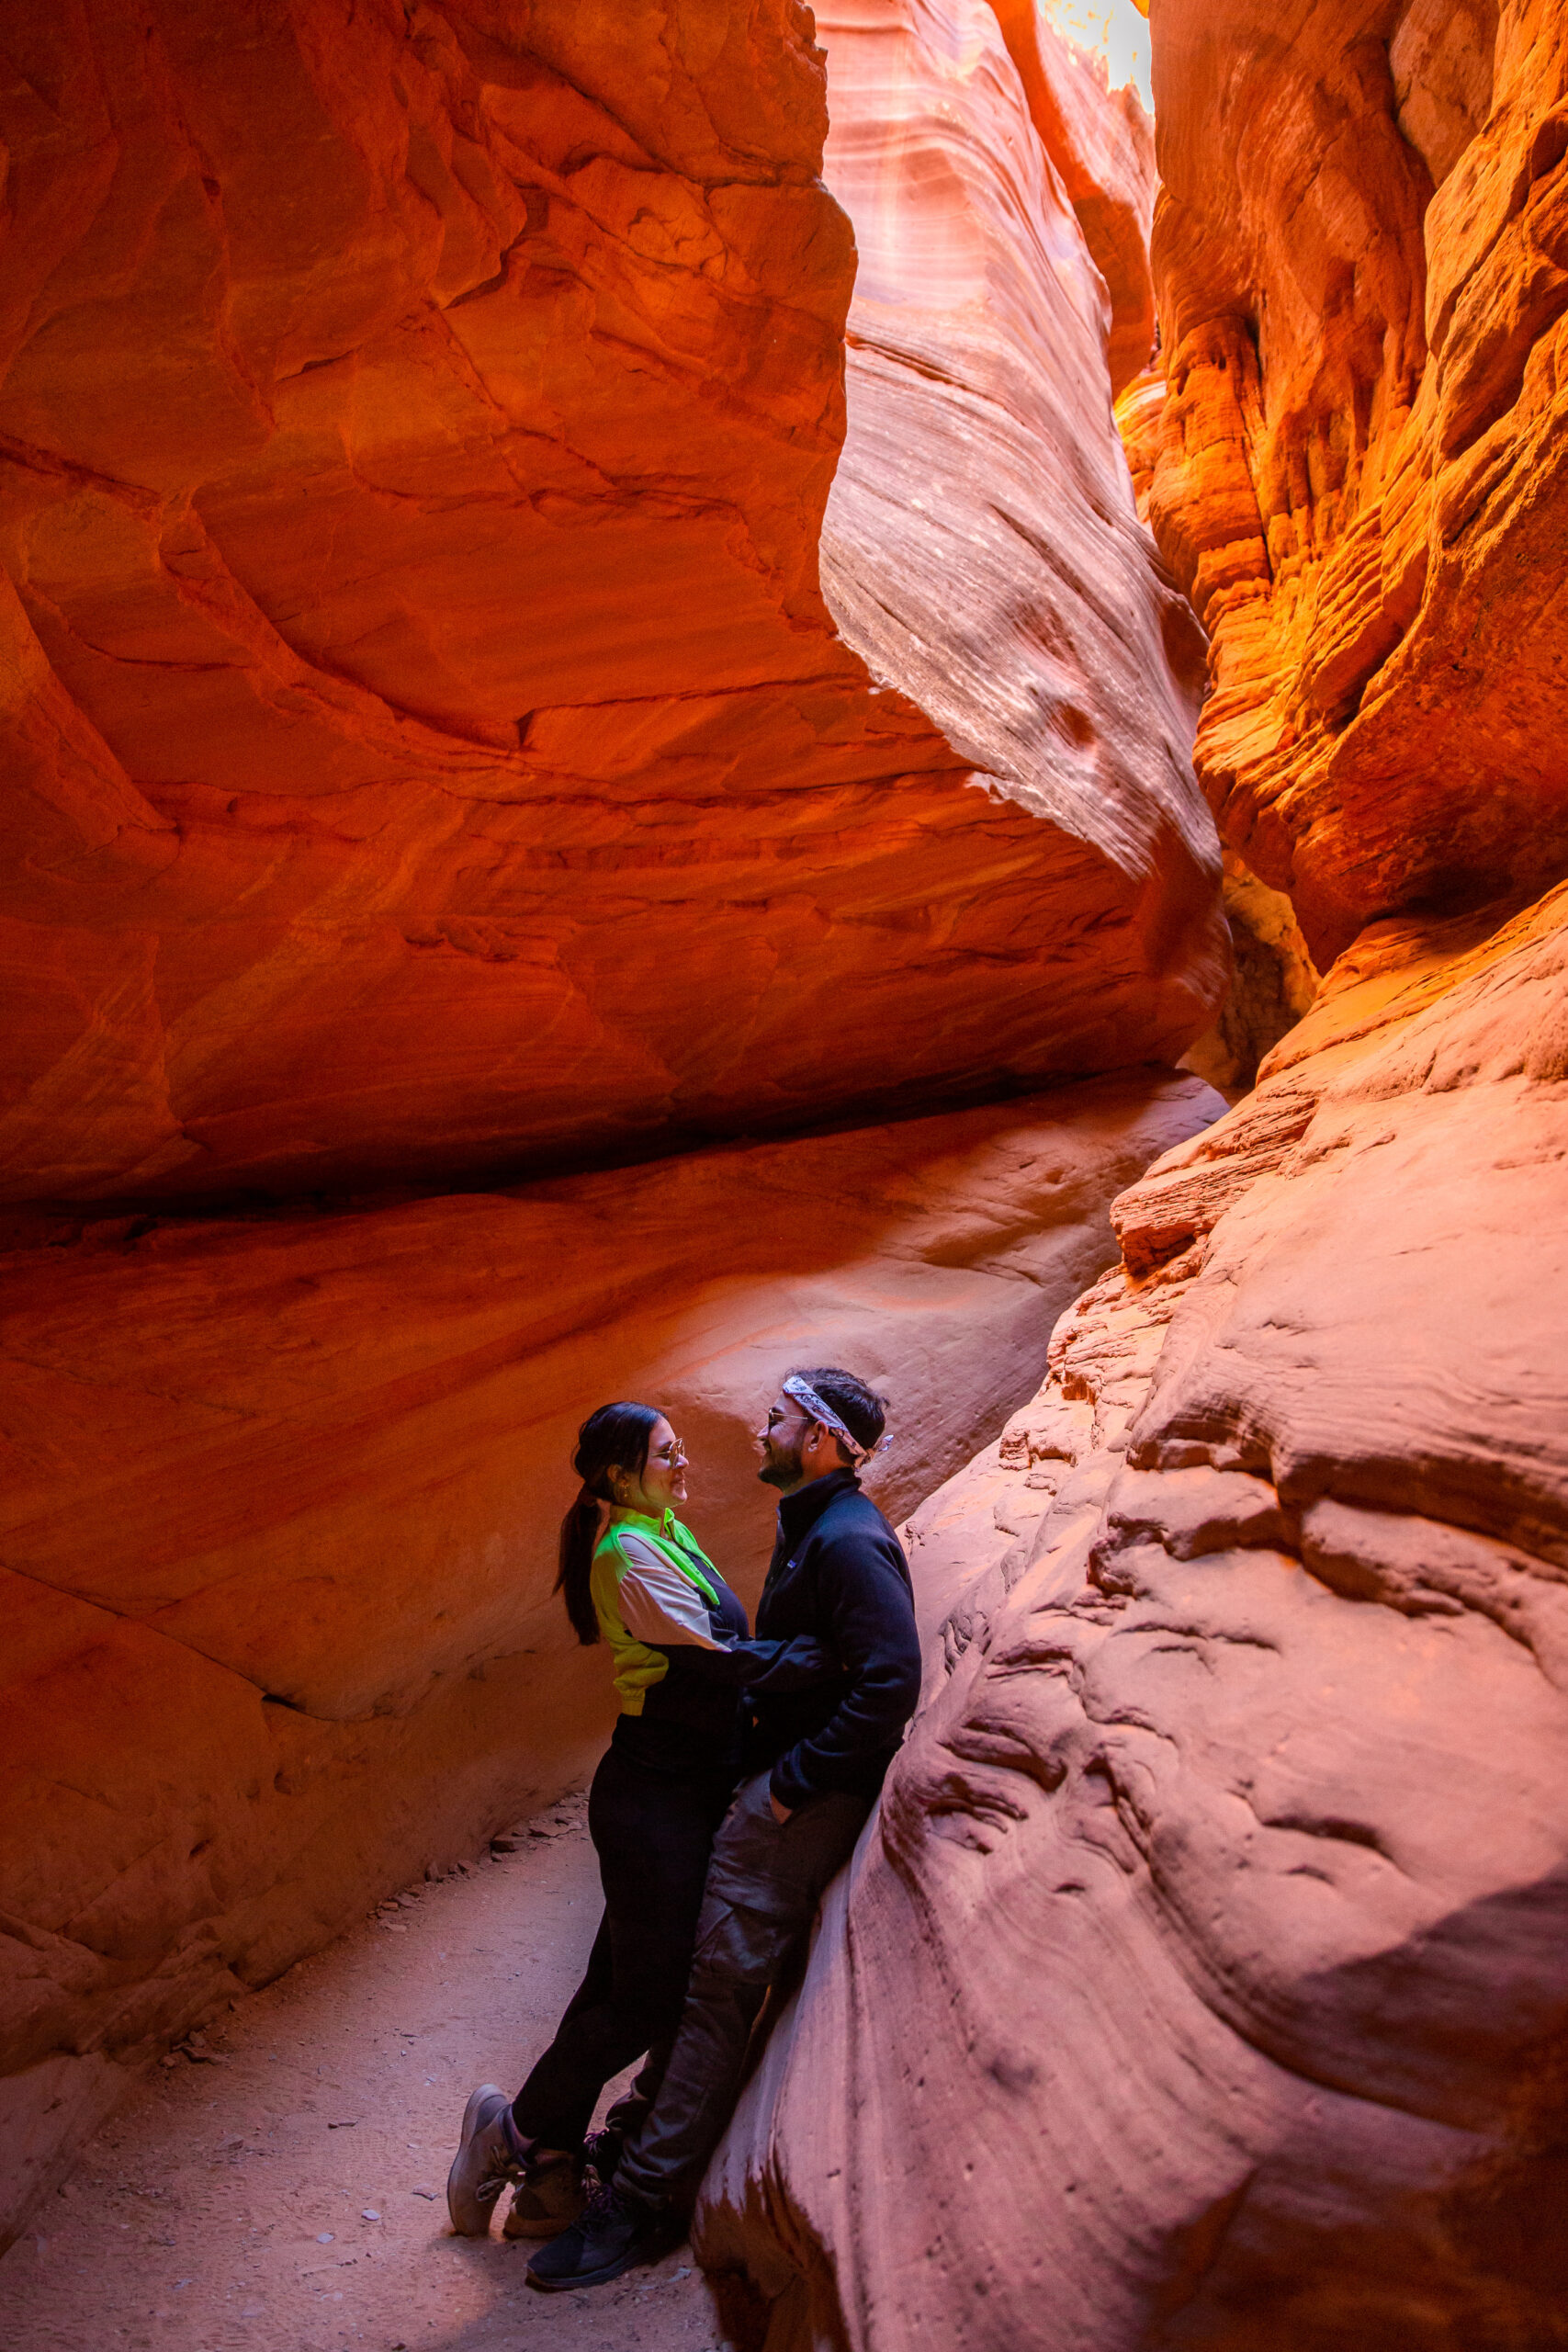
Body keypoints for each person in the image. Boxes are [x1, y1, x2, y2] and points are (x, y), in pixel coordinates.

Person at [526, 1365, 922, 2292]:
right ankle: (620, 2143)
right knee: (672, 1972)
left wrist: (792, 1781)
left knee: (704, 1987)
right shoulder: (808, 1524)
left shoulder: (848, 1542)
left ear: (819, 1440)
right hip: (717, 1782)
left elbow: (889, 1678)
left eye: (778, 1420)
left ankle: (642, 2199)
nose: (761, 1433)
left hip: (791, 1797)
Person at [446, 1401, 833, 2242]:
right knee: (650, 1999)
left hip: (678, 1795)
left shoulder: (662, 1532)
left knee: (615, 1985)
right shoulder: (625, 1554)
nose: (681, 1462)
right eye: (665, 1454)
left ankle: (546, 2166)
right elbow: (715, 1658)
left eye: (677, 1448)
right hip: (651, 1803)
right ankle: (508, 2135)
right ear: (620, 1475)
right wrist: (824, 1663)